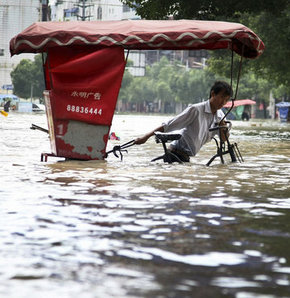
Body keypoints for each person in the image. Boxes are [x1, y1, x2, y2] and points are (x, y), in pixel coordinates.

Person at [134, 80, 233, 162]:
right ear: (213, 94)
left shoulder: (220, 116)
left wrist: (223, 128)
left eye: (226, 100)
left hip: (186, 158)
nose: (223, 103)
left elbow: (224, 139)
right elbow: (169, 125)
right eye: (221, 98)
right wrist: (145, 137)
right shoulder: (196, 110)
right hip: (175, 154)